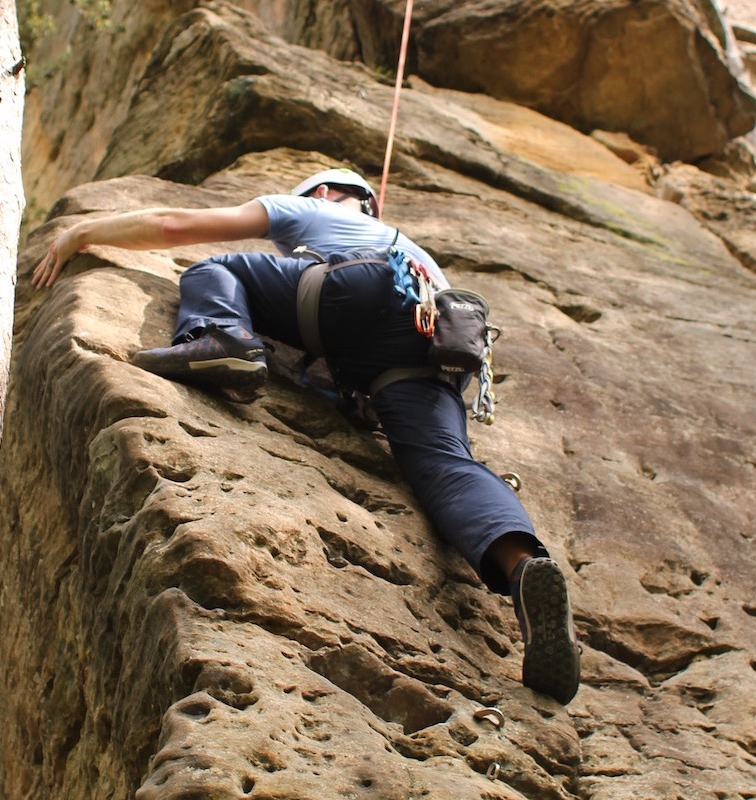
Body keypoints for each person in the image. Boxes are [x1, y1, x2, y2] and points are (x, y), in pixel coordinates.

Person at [33, 168, 582, 704]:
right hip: (434, 347)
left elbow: (175, 225)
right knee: (446, 467)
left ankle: (223, 338)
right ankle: (521, 567)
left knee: (217, 268)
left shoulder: (314, 206)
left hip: (358, 291)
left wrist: (82, 232)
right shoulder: (423, 259)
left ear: (324, 192)